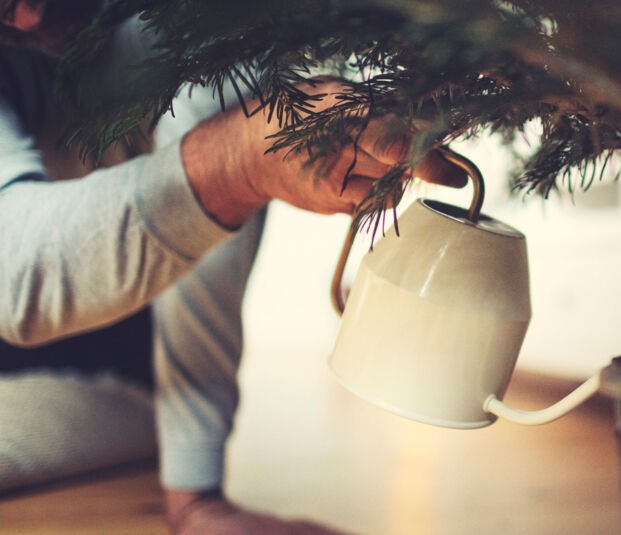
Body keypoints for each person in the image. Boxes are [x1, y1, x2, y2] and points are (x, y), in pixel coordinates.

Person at [0, 1, 466, 533]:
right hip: (40, 319)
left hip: (121, 346)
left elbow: (212, 93)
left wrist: (195, 493)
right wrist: (238, 162)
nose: (31, 16)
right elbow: (16, 274)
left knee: (211, 71)